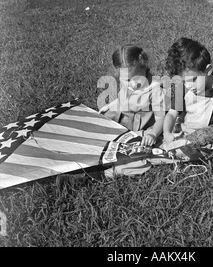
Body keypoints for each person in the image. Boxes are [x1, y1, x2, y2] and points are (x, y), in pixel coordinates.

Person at [56, 44, 166, 190]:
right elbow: (123, 98)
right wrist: (110, 106)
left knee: (132, 159)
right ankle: (80, 159)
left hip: (140, 132)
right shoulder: (128, 81)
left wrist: (153, 132)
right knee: (96, 131)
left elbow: (161, 118)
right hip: (122, 122)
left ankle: (94, 176)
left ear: (145, 67)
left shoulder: (155, 89)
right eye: (126, 80)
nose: (131, 84)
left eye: (135, 79)